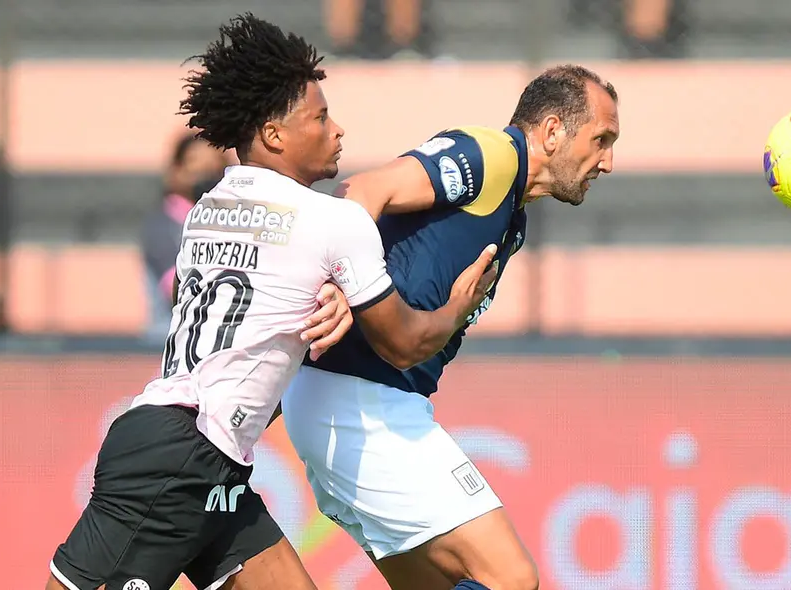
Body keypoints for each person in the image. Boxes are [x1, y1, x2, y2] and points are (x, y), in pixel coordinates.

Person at [46, 13, 497, 590]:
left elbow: (262, 316)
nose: (338, 130)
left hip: (203, 454)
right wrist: (461, 304)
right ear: (275, 134)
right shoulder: (334, 221)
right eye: (321, 116)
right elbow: (405, 344)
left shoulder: (207, 210)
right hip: (182, 455)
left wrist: (334, 302)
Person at [282, 64, 620, 590]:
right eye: (601, 139)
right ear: (553, 131)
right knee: (511, 577)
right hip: (361, 404)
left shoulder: (511, 215)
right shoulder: (492, 156)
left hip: (354, 403)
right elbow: (366, 190)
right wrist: (340, 281)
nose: (609, 161)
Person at [140, 133, 230, 339]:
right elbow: (179, 290)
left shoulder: (233, 221)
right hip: (170, 341)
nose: (206, 173)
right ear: (176, 172)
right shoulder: (162, 226)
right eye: (195, 164)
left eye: (215, 166)